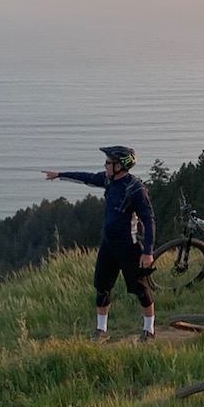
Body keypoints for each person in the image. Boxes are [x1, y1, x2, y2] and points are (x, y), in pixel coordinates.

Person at [43, 146, 156, 341]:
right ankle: (101, 330)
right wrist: (59, 175)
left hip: (128, 246)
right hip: (108, 245)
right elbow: (85, 177)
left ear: (119, 165)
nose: (105, 165)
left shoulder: (136, 188)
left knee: (140, 288)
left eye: (108, 162)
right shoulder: (108, 180)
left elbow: (149, 219)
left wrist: (148, 252)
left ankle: (149, 330)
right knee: (102, 287)